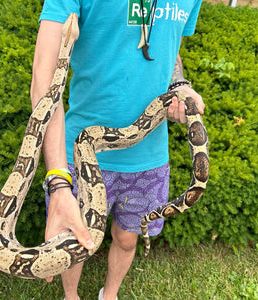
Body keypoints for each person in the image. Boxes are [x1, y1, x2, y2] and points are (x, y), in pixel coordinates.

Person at [30, 1, 204, 299]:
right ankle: (71, 296)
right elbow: (44, 83)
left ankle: (109, 295)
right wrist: (58, 181)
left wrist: (180, 84)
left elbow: (170, 44)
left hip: (149, 157)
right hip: (81, 153)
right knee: (74, 243)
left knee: (127, 239)